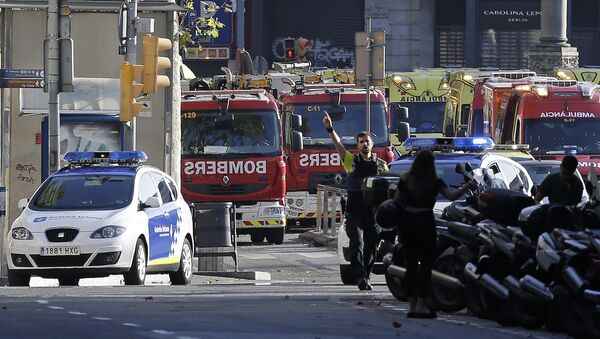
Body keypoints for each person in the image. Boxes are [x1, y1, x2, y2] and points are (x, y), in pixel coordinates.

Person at [394, 149, 476, 318]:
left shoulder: (405, 180)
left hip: (409, 224)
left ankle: (412, 305)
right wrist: (467, 186)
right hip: (426, 223)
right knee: (425, 266)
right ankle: (422, 304)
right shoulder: (435, 182)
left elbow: (396, 202)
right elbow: (452, 196)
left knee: (410, 266)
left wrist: (399, 225)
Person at [323, 112, 388, 291]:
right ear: (357, 145)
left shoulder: (381, 164)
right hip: (354, 208)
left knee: (371, 244)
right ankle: (359, 276)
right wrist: (330, 128)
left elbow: (388, 186)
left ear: (372, 144)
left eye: (367, 141)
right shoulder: (350, 161)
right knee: (356, 242)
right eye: (361, 141)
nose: (364, 144)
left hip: (373, 211)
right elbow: (338, 144)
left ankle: (366, 276)